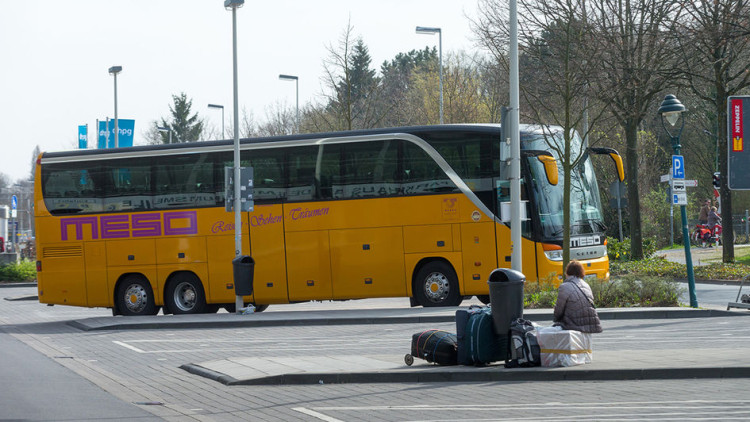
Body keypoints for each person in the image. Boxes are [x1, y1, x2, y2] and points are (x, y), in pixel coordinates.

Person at [553, 260, 602, 333]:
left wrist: (556, 319)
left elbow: (559, 309)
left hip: (573, 324)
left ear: (567, 272)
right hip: (590, 323)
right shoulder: (586, 285)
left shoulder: (564, 286)